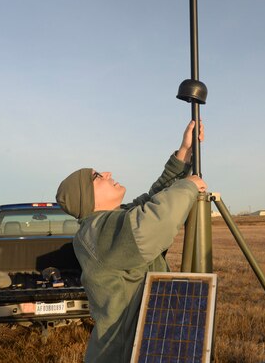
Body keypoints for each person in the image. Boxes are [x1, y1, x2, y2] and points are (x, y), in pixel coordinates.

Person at [56, 120, 207, 363]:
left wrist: (184, 153)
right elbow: (152, 224)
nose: (108, 174)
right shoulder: (98, 233)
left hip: (141, 345)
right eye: (97, 177)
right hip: (125, 354)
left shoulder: (111, 221)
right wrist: (187, 188)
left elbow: (152, 199)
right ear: (88, 198)